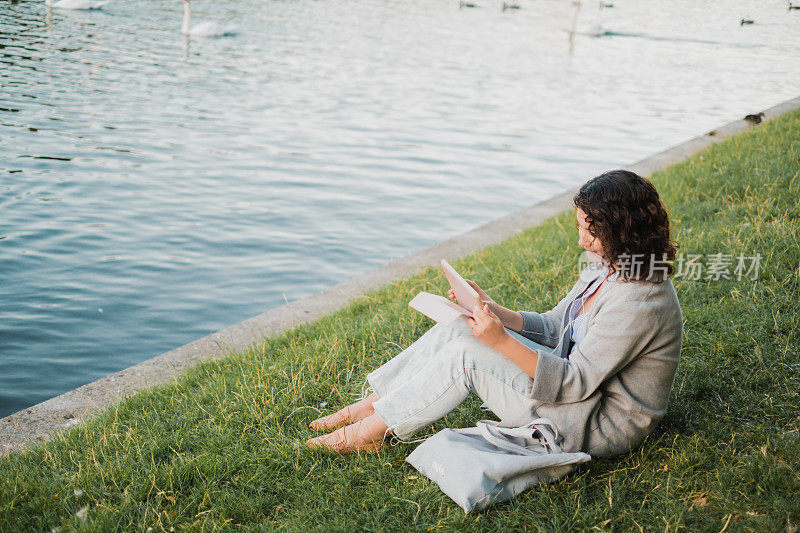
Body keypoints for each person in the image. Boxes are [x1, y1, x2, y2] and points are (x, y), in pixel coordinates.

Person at [306, 169, 683, 458]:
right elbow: (556, 328)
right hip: (577, 392)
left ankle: (365, 434)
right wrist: (495, 312)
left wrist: (498, 340)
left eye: (592, 232)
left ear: (625, 232)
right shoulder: (609, 265)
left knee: (468, 354)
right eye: (581, 227)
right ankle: (370, 408)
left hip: (595, 421)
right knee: (458, 328)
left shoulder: (639, 301)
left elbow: (574, 383)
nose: (581, 240)